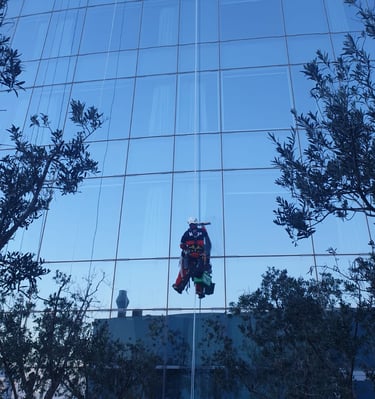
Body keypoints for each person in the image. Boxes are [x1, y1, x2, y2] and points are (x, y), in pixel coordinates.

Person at [172, 217, 213, 299]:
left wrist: (186, 249)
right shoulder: (201, 232)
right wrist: (203, 227)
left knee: (187, 271)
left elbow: (181, 244)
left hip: (192, 256)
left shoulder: (187, 233)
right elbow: (206, 238)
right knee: (197, 272)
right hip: (196, 256)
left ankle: (179, 286)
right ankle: (198, 290)